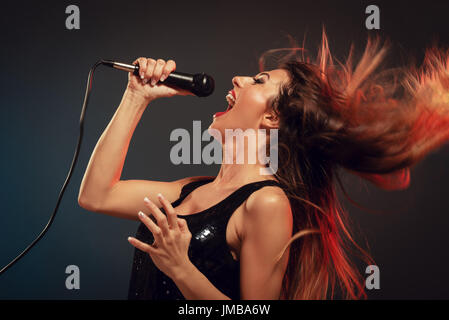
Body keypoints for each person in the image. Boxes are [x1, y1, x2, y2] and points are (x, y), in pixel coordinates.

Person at [78, 30, 449, 299]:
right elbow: (97, 195)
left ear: (273, 118)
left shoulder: (266, 204)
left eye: (258, 81)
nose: (238, 79)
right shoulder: (188, 189)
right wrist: (135, 96)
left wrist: (181, 268)